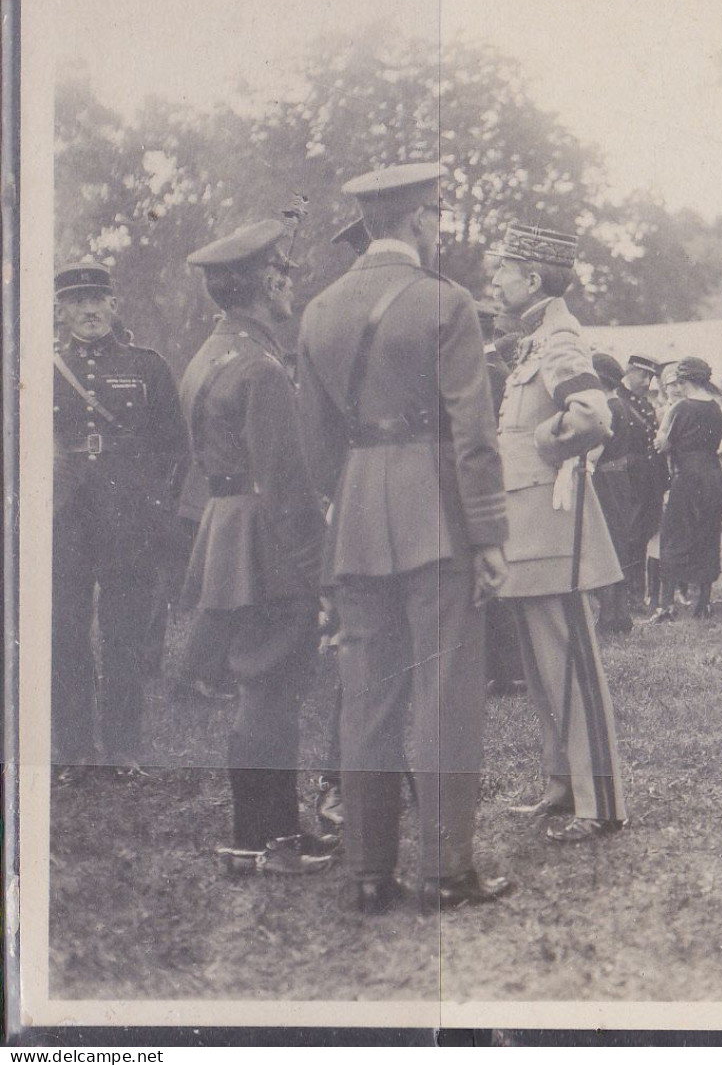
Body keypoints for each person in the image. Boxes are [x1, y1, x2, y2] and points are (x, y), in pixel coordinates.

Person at [298, 163, 512, 913]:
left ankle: (368, 872)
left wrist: (351, 500)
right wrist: (488, 535)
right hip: (438, 519)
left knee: (368, 698)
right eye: (437, 214)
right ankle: (447, 870)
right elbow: (473, 435)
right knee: (446, 695)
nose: (439, 226)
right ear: (421, 219)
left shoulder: (318, 310)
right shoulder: (445, 303)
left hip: (357, 517)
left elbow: (316, 445)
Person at [179, 219, 337, 874]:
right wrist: (324, 572)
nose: (291, 286)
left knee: (259, 686)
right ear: (266, 281)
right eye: (285, 274)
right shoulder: (262, 367)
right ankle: (263, 840)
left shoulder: (209, 354)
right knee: (272, 690)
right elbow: (290, 489)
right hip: (266, 540)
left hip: (228, 532)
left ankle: (272, 830)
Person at [487, 221, 628, 843]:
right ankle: (561, 786)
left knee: (569, 662)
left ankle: (600, 804)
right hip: (527, 519)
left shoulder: (560, 337)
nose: (493, 280)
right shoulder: (534, 338)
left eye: (503, 271)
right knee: (540, 663)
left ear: (533, 279)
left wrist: (542, 450)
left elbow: (593, 414)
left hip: (552, 515)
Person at [52, 261, 186, 775]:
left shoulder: (148, 367)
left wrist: (155, 507)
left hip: (128, 519)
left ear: (114, 304)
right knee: (65, 630)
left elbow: (174, 445)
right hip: (67, 519)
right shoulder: (42, 369)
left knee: (124, 632)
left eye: (97, 299)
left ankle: (124, 748)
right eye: (76, 301)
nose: (88, 310)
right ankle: (75, 750)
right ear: (61, 311)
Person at [648, 356, 722, 622]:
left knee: (674, 536)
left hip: (687, 477)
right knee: (707, 535)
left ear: (685, 381)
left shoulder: (681, 408)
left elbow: (664, 444)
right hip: (713, 476)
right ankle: (702, 603)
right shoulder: (716, 407)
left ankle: (666, 605)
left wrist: (660, 439)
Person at [590, 352, 644, 635]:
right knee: (617, 541)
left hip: (605, 481)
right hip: (618, 480)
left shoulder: (608, 409)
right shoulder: (620, 405)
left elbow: (595, 452)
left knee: (606, 542)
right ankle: (618, 614)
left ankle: (610, 616)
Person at [619, 354, 667, 609]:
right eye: (643, 375)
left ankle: (637, 594)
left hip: (649, 482)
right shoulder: (619, 402)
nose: (647, 382)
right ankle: (629, 594)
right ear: (629, 371)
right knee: (631, 537)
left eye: (650, 377)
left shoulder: (644, 405)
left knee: (643, 535)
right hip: (630, 480)